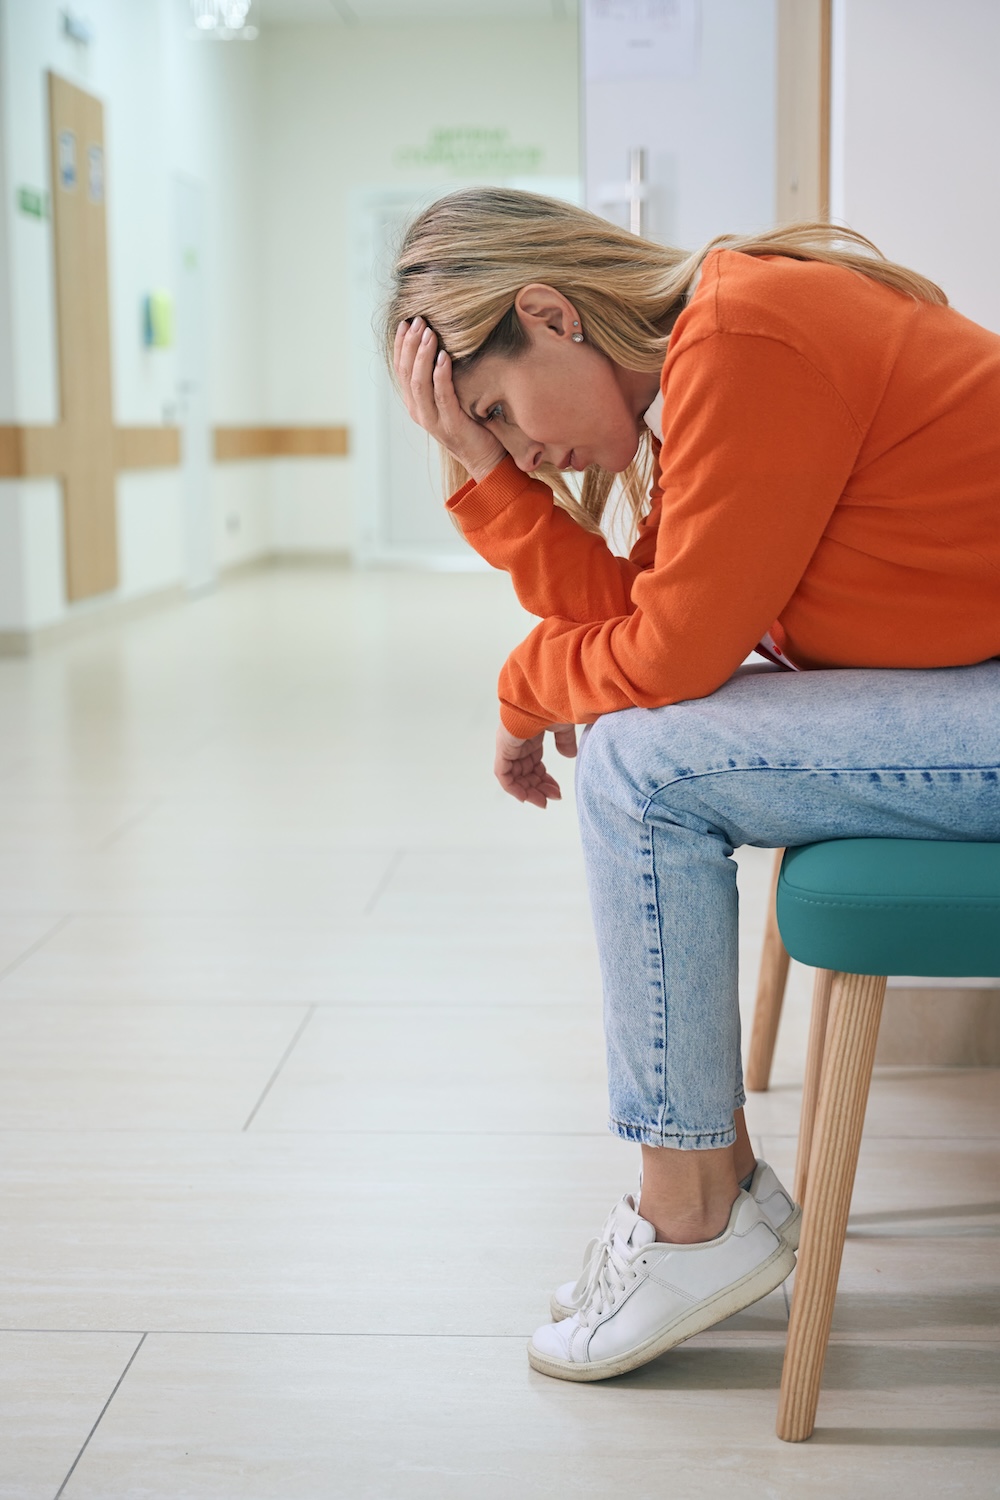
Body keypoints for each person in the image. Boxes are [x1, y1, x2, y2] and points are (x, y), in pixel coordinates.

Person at [384, 188, 1000, 1383]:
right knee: (637, 742)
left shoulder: (748, 334)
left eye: (502, 414)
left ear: (550, 314)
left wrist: (525, 688)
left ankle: (694, 1210)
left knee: (639, 760)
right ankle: (707, 1189)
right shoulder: (712, 365)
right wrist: (478, 472)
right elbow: (633, 612)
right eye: (492, 436)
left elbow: (668, 659)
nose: (524, 451)